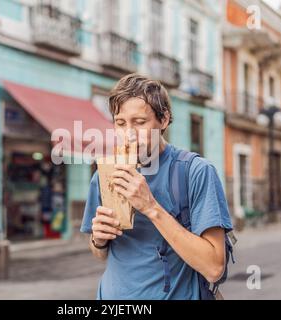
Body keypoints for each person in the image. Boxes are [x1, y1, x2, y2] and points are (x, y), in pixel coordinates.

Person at [80, 74, 233, 300]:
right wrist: (98, 240)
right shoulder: (105, 174)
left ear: (163, 120)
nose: (128, 134)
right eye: (120, 123)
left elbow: (214, 267)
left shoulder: (196, 171)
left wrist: (150, 207)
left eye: (139, 122)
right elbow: (99, 253)